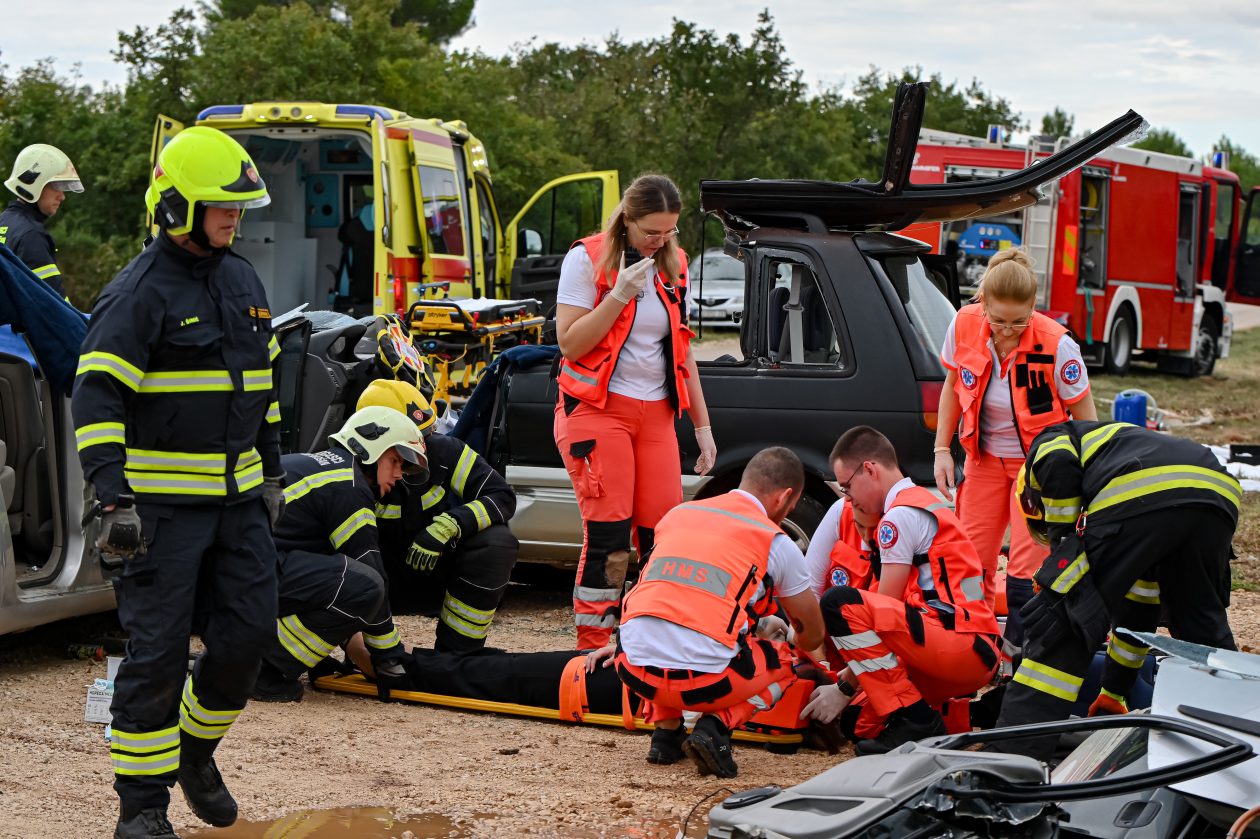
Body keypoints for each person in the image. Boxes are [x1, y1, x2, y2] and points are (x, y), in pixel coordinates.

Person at [72, 127, 281, 839]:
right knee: (156, 656)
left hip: (240, 503)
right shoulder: (135, 294)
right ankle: (142, 806)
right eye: (222, 207)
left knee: (250, 636)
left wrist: (275, 472)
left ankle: (194, 752)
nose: (235, 218)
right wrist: (112, 499)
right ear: (176, 208)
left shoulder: (244, 279)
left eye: (239, 207)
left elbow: (265, 383)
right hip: (157, 513)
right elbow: (95, 398)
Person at [992, 420, 1241, 760]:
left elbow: (1056, 458)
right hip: (1216, 493)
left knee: (1063, 621)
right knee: (1201, 629)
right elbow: (1137, 616)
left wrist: (1064, 546)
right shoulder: (1118, 449)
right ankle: (1239, 738)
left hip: (1141, 490)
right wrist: (1114, 692)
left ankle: (1012, 753)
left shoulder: (1050, 442)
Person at [553, 174, 715, 650]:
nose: (659, 241)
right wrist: (619, 293)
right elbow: (570, 342)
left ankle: (645, 641)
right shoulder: (587, 258)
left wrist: (702, 427)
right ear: (627, 220)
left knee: (662, 535)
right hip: (598, 411)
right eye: (651, 232)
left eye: (669, 232)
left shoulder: (673, 263)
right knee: (609, 534)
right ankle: (592, 648)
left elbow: (682, 354)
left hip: (656, 416)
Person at [608, 447, 825, 779]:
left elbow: (668, 595)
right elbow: (813, 633)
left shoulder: (679, 514)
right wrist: (790, 636)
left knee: (667, 625)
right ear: (784, 498)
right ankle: (716, 729)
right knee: (785, 661)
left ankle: (666, 735)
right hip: (705, 683)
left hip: (633, 669)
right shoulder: (774, 542)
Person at [933, 249, 1096, 648]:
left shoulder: (1058, 345)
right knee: (971, 561)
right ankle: (977, 646)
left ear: (1034, 307)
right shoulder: (963, 325)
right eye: (999, 320)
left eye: (1019, 322)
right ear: (982, 303)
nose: (1007, 331)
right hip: (983, 460)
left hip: (1039, 471)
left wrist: (1086, 481)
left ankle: (1020, 655)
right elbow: (952, 389)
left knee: (1027, 566)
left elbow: (1086, 420)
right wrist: (941, 448)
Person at [810, 427, 1000, 755]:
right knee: (857, 722)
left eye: (847, 486)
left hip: (958, 644)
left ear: (869, 469)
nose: (848, 498)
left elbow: (881, 615)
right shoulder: (922, 503)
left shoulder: (897, 517)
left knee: (840, 605)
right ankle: (979, 713)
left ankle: (912, 719)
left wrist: (843, 685)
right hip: (961, 642)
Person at [251, 406, 428, 703]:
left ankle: (248, 657)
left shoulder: (325, 469)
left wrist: (348, 642)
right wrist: (390, 657)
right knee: (365, 585)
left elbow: (315, 576)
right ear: (370, 447)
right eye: (395, 460)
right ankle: (263, 670)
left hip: (226, 572)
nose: (399, 475)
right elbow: (368, 576)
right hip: (239, 573)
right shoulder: (349, 486)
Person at [358, 379, 519, 652]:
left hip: (434, 569)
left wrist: (451, 524)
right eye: (410, 438)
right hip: (375, 577)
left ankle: (458, 654)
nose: (422, 446)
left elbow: (501, 496)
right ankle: (361, 650)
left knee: (497, 542)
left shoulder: (442, 450)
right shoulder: (353, 468)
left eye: (424, 434)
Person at [1, 143, 83, 298]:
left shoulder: (4, 222)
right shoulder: (30, 236)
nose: (62, 196)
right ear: (32, 183)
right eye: (57, 185)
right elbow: (54, 307)